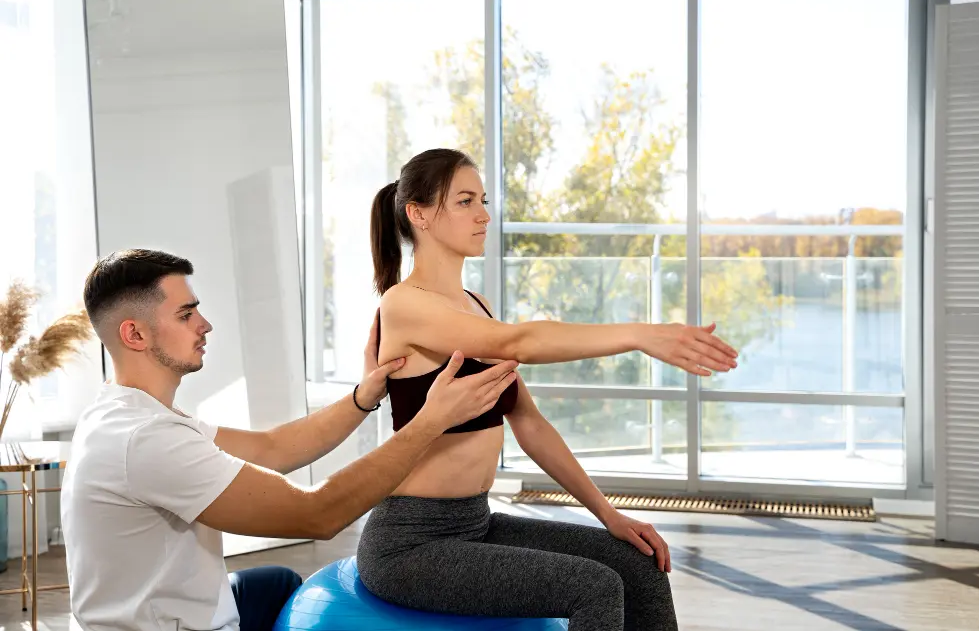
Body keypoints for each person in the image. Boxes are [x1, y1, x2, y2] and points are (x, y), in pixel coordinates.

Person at [358, 148, 740, 631]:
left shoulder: (476, 304)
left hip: (476, 523)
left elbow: (529, 422)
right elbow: (521, 340)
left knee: (638, 562)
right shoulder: (403, 305)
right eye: (464, 201)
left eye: (483, 200)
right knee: (593, 586)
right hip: (411, 542)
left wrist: (610, 515)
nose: (484, 215)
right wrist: (639, 334)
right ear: (418, 214)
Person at [61, 249, 519, 631]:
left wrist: (363, 397)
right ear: (134, 333)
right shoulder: (146, 439)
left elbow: (272, 449)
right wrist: (428, 423)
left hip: (144, 612)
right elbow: (317, 515)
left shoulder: (125, 414)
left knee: (277, 582)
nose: (205, 324)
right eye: (186, 314)